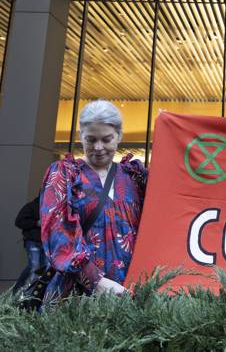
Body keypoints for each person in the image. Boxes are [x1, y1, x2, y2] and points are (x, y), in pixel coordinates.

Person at [39, 100, 147, 303]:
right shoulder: (65, 174)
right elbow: (57, 233)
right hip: (75, 294)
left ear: (119, 136)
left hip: (129, 292)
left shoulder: (134, 176)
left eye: (107, 139)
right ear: (81, 136)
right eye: (91, 140)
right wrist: (96, 282)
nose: (98, 148)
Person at [13, 196, 47, 294]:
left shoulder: (51, 209)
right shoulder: (31, 207)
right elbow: (18, 222)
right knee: (34, 267)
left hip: (45, 243)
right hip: (33, 241)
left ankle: (34, 294)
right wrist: (36, 223)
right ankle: (27, 295)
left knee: (41, 269)